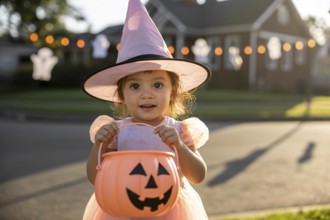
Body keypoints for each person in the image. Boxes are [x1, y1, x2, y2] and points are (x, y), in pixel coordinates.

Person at [82, 0, 211, 219]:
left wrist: (179, 147)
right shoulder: (116, 132)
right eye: (135, 86)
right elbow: (95, 177)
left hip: (170, 210)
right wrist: (98, 147)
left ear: (173, 91)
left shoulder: (179, 131)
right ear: (122, 95)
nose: (147, 94)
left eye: (158, 85)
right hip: (122, 208)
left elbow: (198, 175)